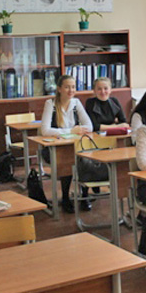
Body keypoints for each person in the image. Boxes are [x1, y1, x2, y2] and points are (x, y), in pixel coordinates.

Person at [40, 75, 93, 213]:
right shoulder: (50, 104)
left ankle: (84, 195)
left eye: (73, 87)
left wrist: (75, 131)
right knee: (67, 160)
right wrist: (71, 131)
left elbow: (89, 126)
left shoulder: (76, 103)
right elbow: (45, 130)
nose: (71, 90)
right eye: (67, 87)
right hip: (53, 149)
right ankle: (65, 197)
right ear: (59, 89)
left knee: (85, 159)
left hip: (74, 146)